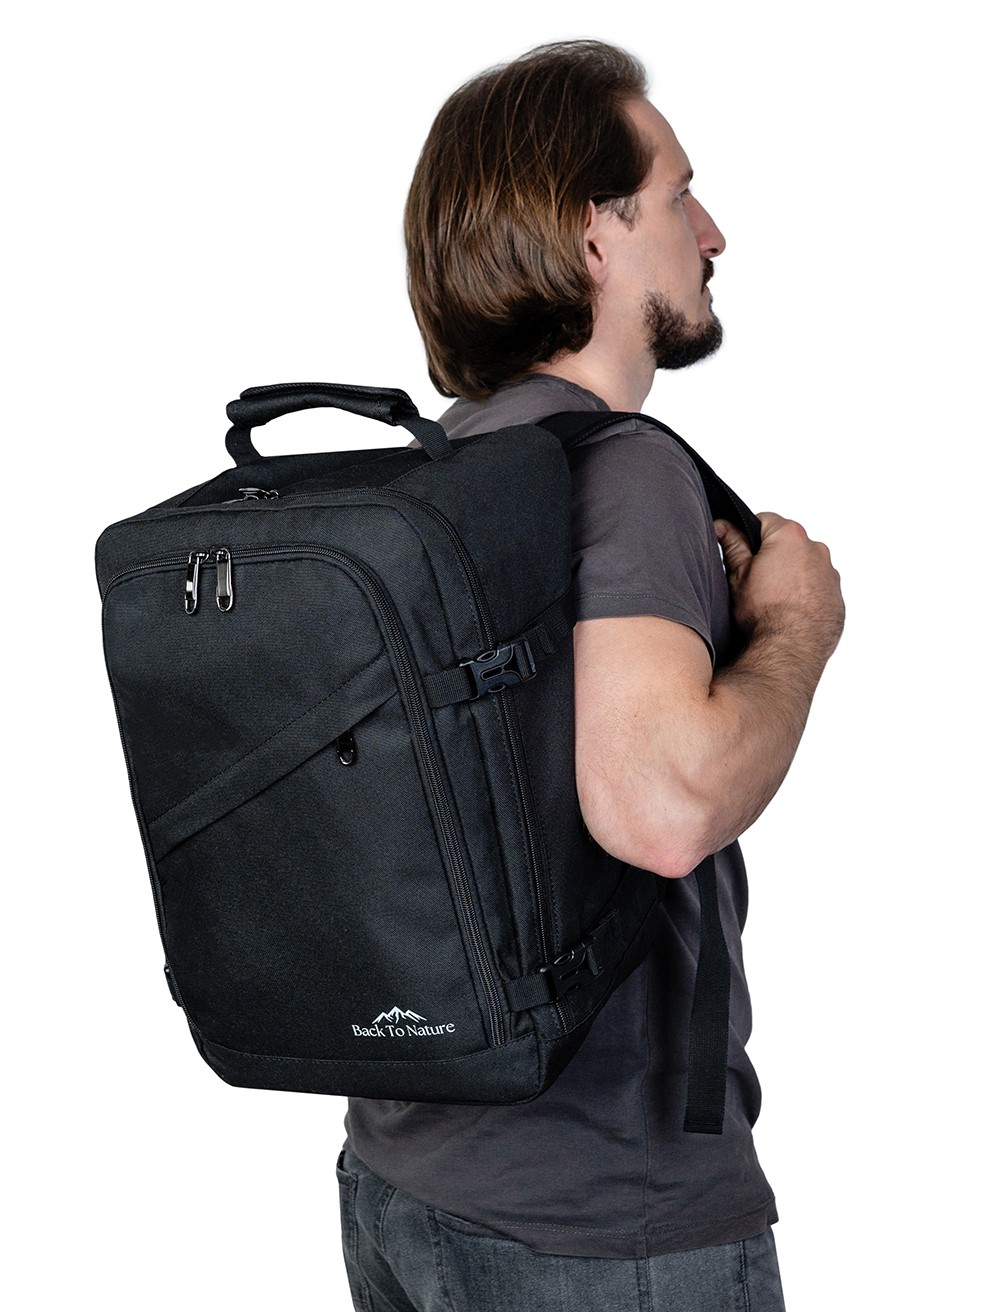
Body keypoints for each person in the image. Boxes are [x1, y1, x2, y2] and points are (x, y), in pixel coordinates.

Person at [337, 39, 844, 1312]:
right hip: (606, 1221)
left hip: (405, 1175)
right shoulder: (625, 470)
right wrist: (796, 627)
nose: (712, 233)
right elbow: (659, 809)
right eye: (678, 194)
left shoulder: (446, 471)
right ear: (592, 239)